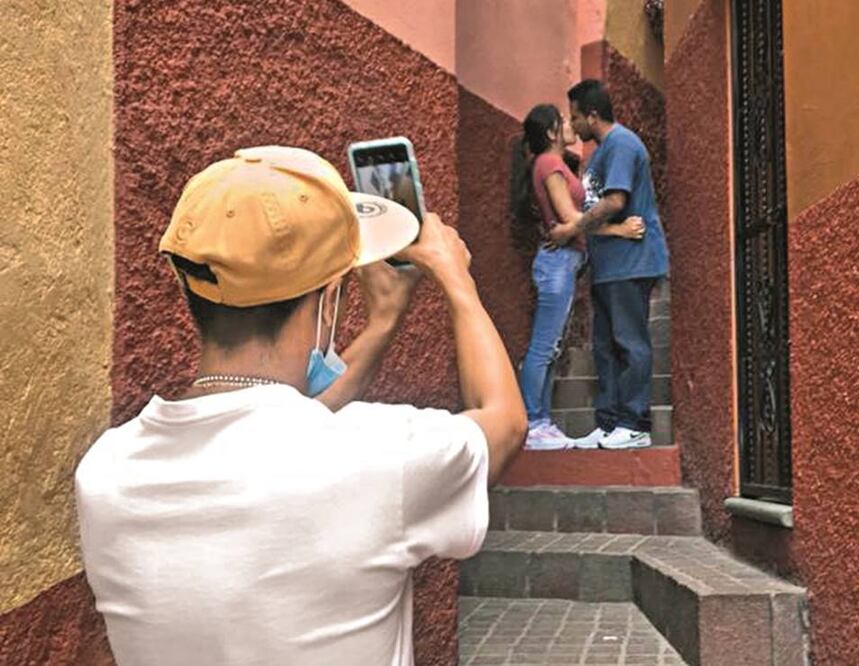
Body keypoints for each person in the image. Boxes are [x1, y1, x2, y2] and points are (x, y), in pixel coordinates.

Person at [75, 146, 526, 665]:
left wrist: (382, 323)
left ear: (192, 288)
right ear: (329, 300)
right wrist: (456, 278)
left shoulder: (105, 474)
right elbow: (505, 423)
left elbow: (269, 433)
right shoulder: (381, 458)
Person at [509, 104, 645, 450]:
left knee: (552, 347)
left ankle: (542, 421)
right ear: (552, 132)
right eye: (564, 121)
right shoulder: (549, 163)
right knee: (543, 346)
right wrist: (620, 230)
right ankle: (532, 423)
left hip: (565, 263)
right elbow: (571, 219)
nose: (570, 125)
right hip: (556, 265)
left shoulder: (555, 163)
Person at [549, 80, 670, 450]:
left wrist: (574, 228)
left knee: (630, 342)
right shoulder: (603, 151)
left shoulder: (621, 144)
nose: (573, 125)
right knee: (604, 346)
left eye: (575, 117)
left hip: (631, 261)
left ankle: (635, 423)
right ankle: (608, 423)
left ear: (592, 116)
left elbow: (615, 200)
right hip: (609, 264)